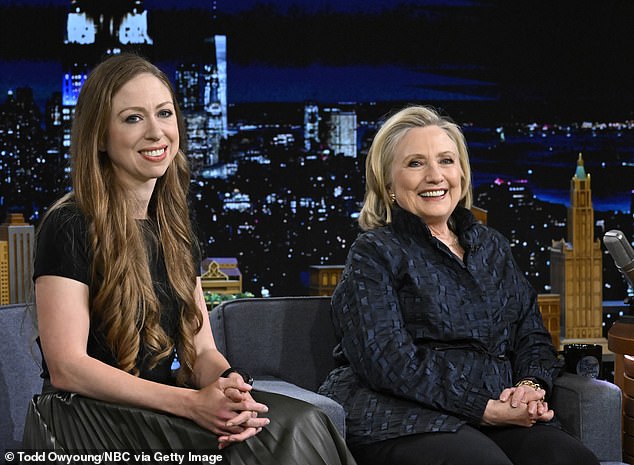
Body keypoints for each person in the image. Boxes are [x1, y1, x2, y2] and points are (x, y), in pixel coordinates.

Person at [24, 52, 355, 465]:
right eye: (132, 118)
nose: (156, 131)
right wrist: (191, 404)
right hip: (83, 420)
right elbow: (67, 367)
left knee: (302, 420)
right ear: (100, 137)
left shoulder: (173, 227)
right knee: (281, 436)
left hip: (162, 409)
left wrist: (228, 387)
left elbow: (201, 350)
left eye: (164, 113)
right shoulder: (69, 224)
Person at [318, 105, 600, 465]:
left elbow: (531, 336)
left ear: (462, 174)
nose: (435, 176)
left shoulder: (492, 246)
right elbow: (386, 361)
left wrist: (530, 388)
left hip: (499, 410)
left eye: (446, 161)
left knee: (568, 459)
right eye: (416, 163)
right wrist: (482, 407)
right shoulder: (374, 253)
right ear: (387, 183)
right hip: (403, 416)